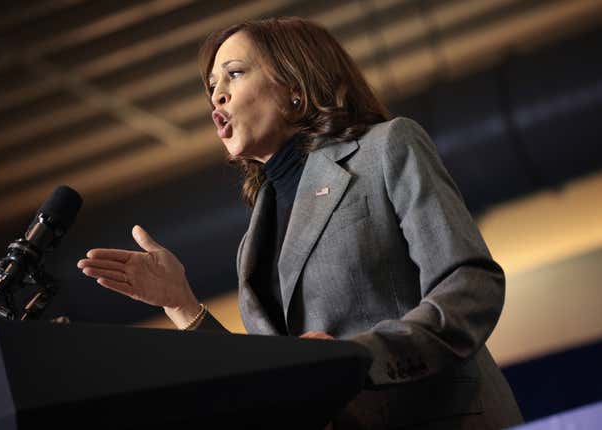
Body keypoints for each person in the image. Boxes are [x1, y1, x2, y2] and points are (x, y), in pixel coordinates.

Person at [77, 17, 523, 429]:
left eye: (233, 73)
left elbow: (470, 285)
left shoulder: (384, 148)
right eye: (211, 85)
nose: (216, 95)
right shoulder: (253, 241)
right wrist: (181, 305)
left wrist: (359, 357)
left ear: (295, 85)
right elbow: (270, 376)